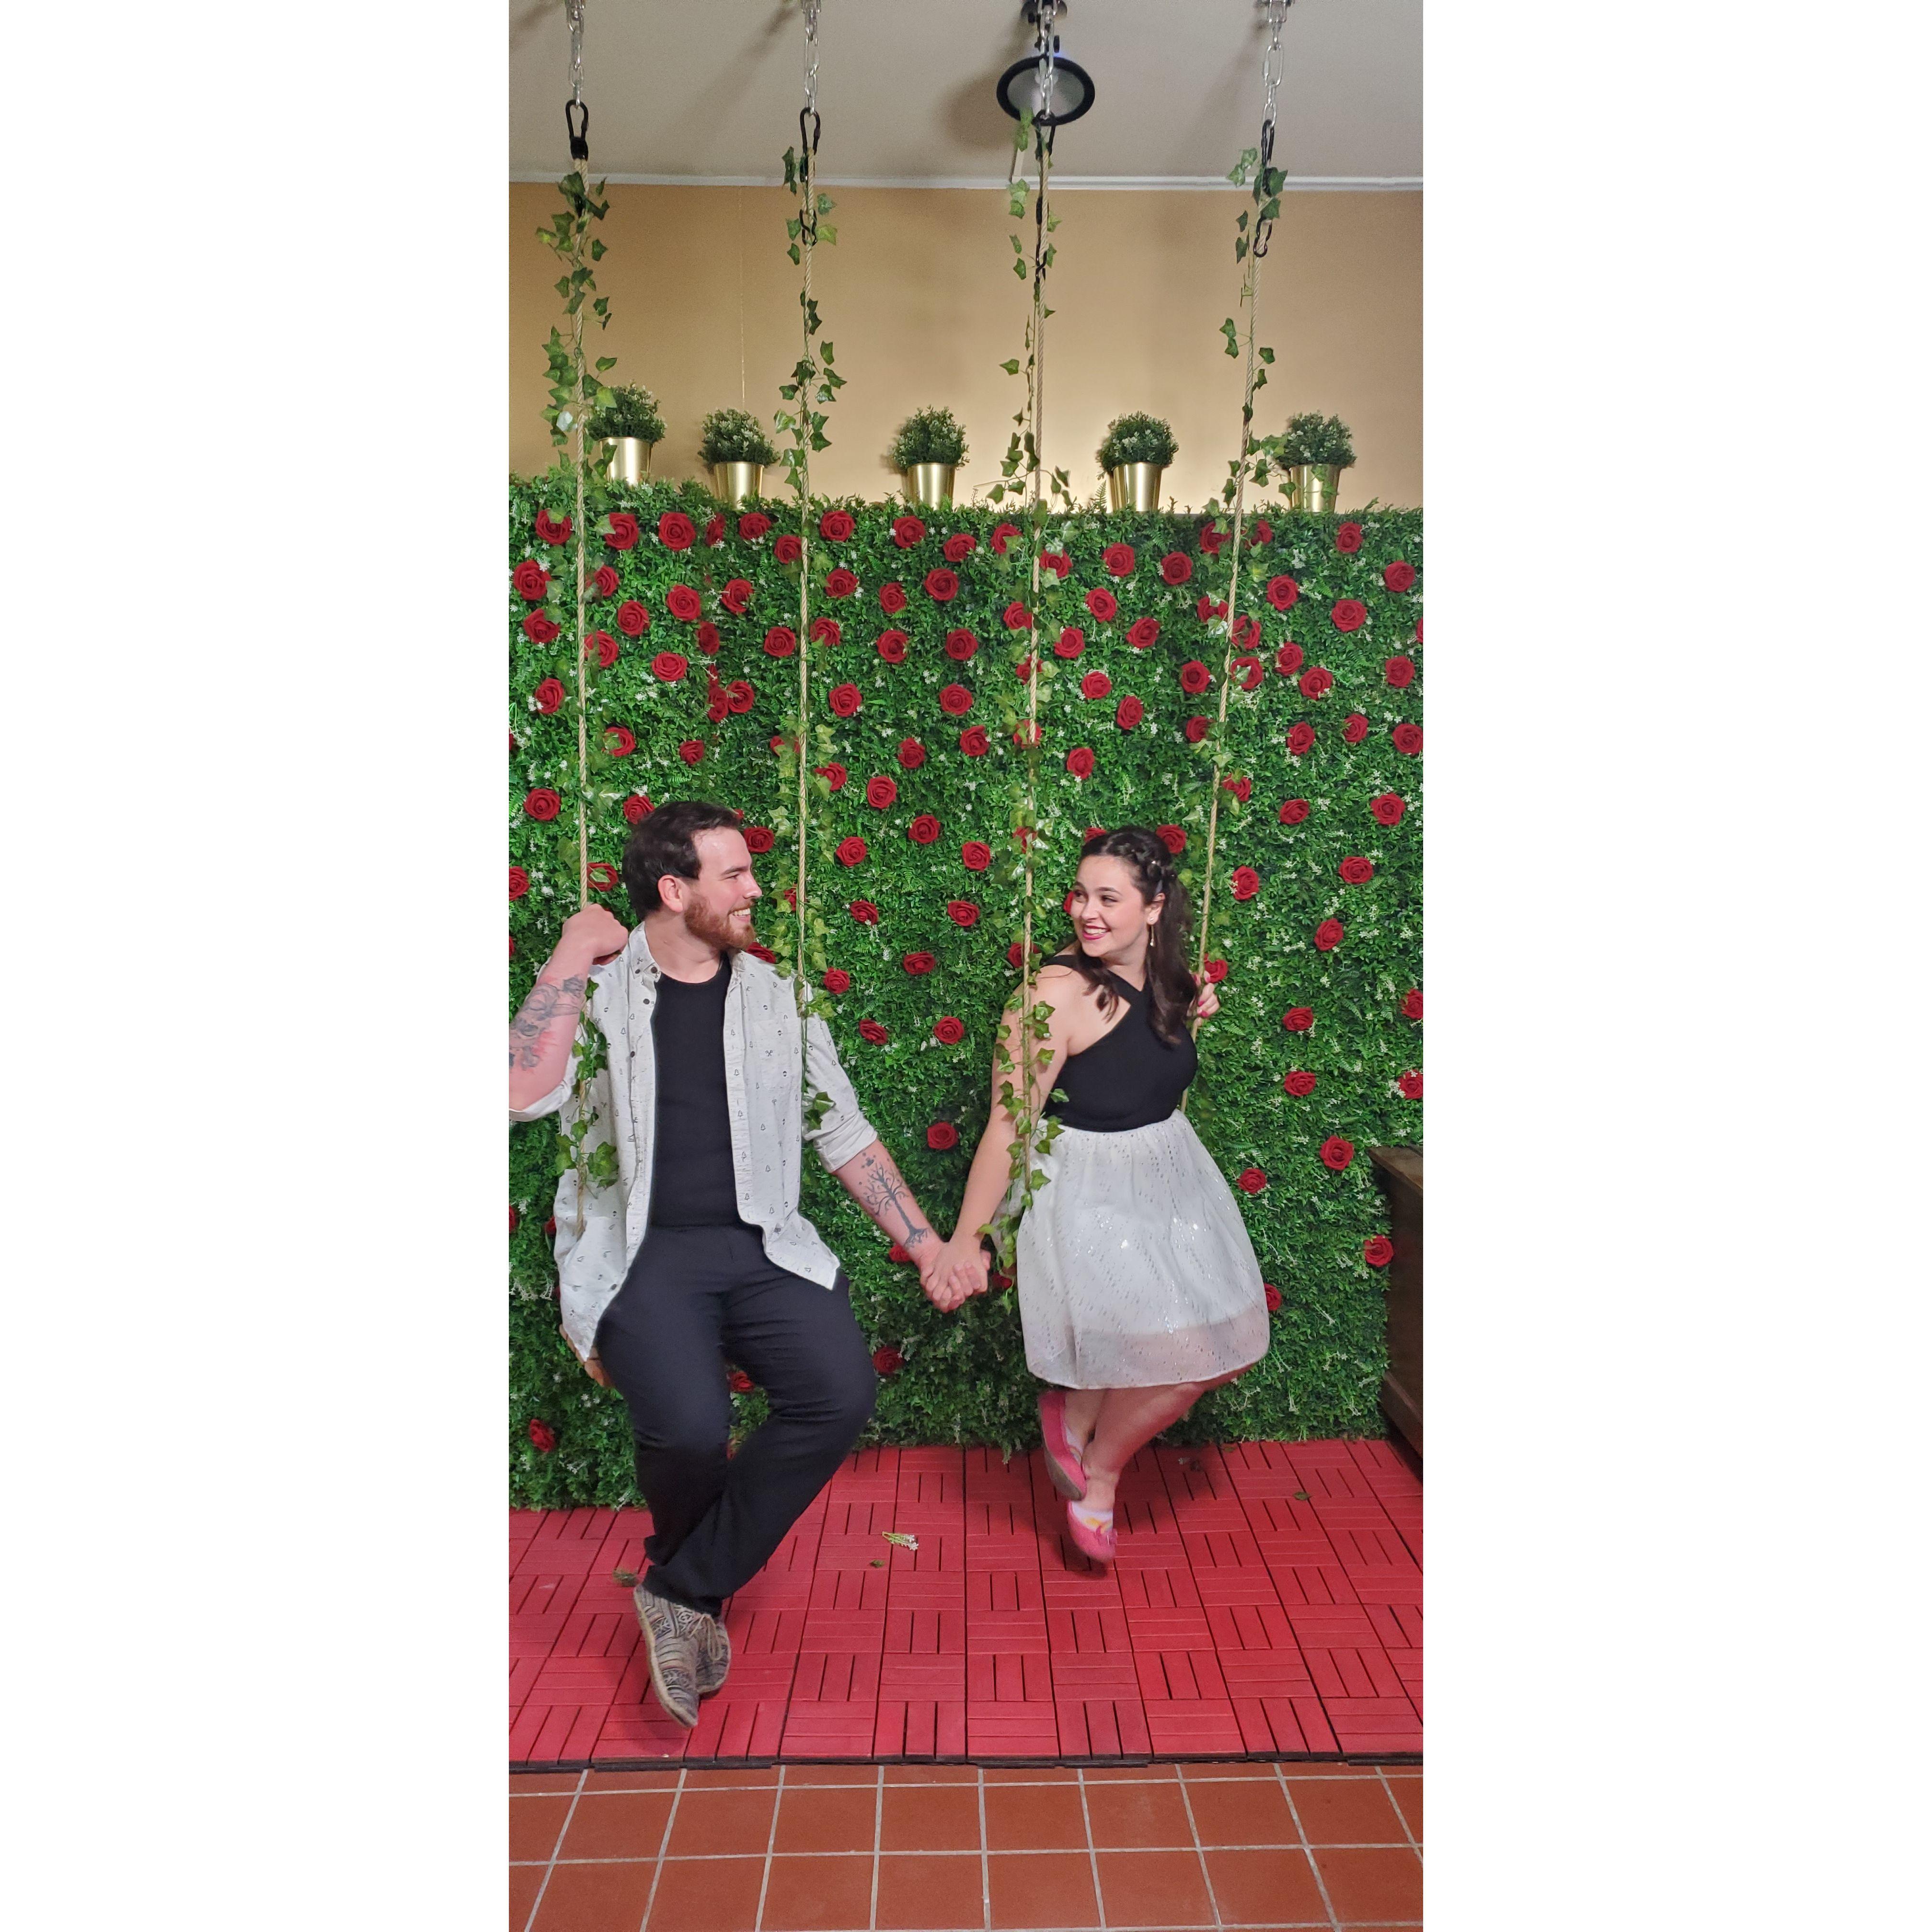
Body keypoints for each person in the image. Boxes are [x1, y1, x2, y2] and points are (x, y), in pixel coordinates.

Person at [508, 799, 980, 1727]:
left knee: (838, 1392)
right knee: (689, 1430)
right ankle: (695, 1596)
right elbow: (521, 1092)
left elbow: (842, 1131)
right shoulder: (598, 993)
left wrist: (926, 1244)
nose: (756, 889)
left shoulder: (779, 1000)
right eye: (735, 875)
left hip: (765, 1247)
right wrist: (567, 952)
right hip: (641, 1256)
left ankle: (679, 1588)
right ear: (674, 890)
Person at [925, 827, 1270, 1561]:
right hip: (1088, 1195)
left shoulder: (1168, 978)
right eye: (1080, 895)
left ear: (1154, 908)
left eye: (1109, 899)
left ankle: (1078, 1409)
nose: (1087, 912)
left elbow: (1146, 1047)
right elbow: (1007, 1127)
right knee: (1185, 1356)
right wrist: (967, 1240)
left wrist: (1189, 1003)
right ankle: (1101, 1476)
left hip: (1169, 1180)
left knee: (1230, 1348)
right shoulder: (1051, 999)